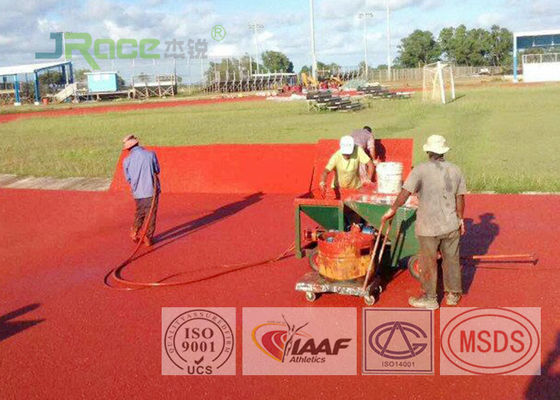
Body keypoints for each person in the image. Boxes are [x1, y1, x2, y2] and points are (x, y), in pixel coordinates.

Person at [381, 135, 467, 309]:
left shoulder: (420, 170)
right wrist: (461, 219)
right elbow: (460, 198)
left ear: (428, 151)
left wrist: (392, 209)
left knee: (428, 262)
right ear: (443, 152)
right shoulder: (456, 170)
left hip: (428, 227)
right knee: (451, 259)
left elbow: (405, 193)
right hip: (451, 224)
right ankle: (453, 295)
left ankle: (430, 298)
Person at [122, 134, 161, 247]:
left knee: (140, 212)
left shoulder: (126, 161)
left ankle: (135, 230)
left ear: (128, 148)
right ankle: (148, 237)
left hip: (137, 192)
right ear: (138, 143)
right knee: (151, 214)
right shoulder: (150, 154)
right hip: (151, 191)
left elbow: (128, 178)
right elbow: (157, 170)